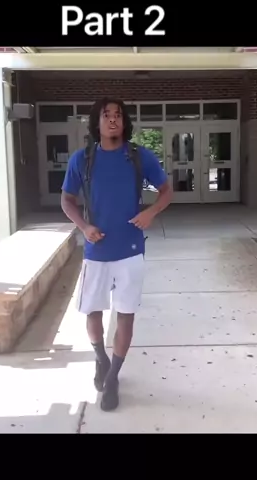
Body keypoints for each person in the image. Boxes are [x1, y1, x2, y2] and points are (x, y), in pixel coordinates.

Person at [61, 97, 172, 411]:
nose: (112, 119)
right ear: (96, 122)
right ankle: (101, 359)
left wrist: (150, 212)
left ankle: (112, 379)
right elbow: (67, 200)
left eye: (118, 115)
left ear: (124, 122)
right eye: (106, 115)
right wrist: (84, 226)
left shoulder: (138, 157)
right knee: (92, 312)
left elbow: (166, 191)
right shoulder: (82, 159)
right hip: (96, 250)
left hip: (130, 250)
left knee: (125, 314)